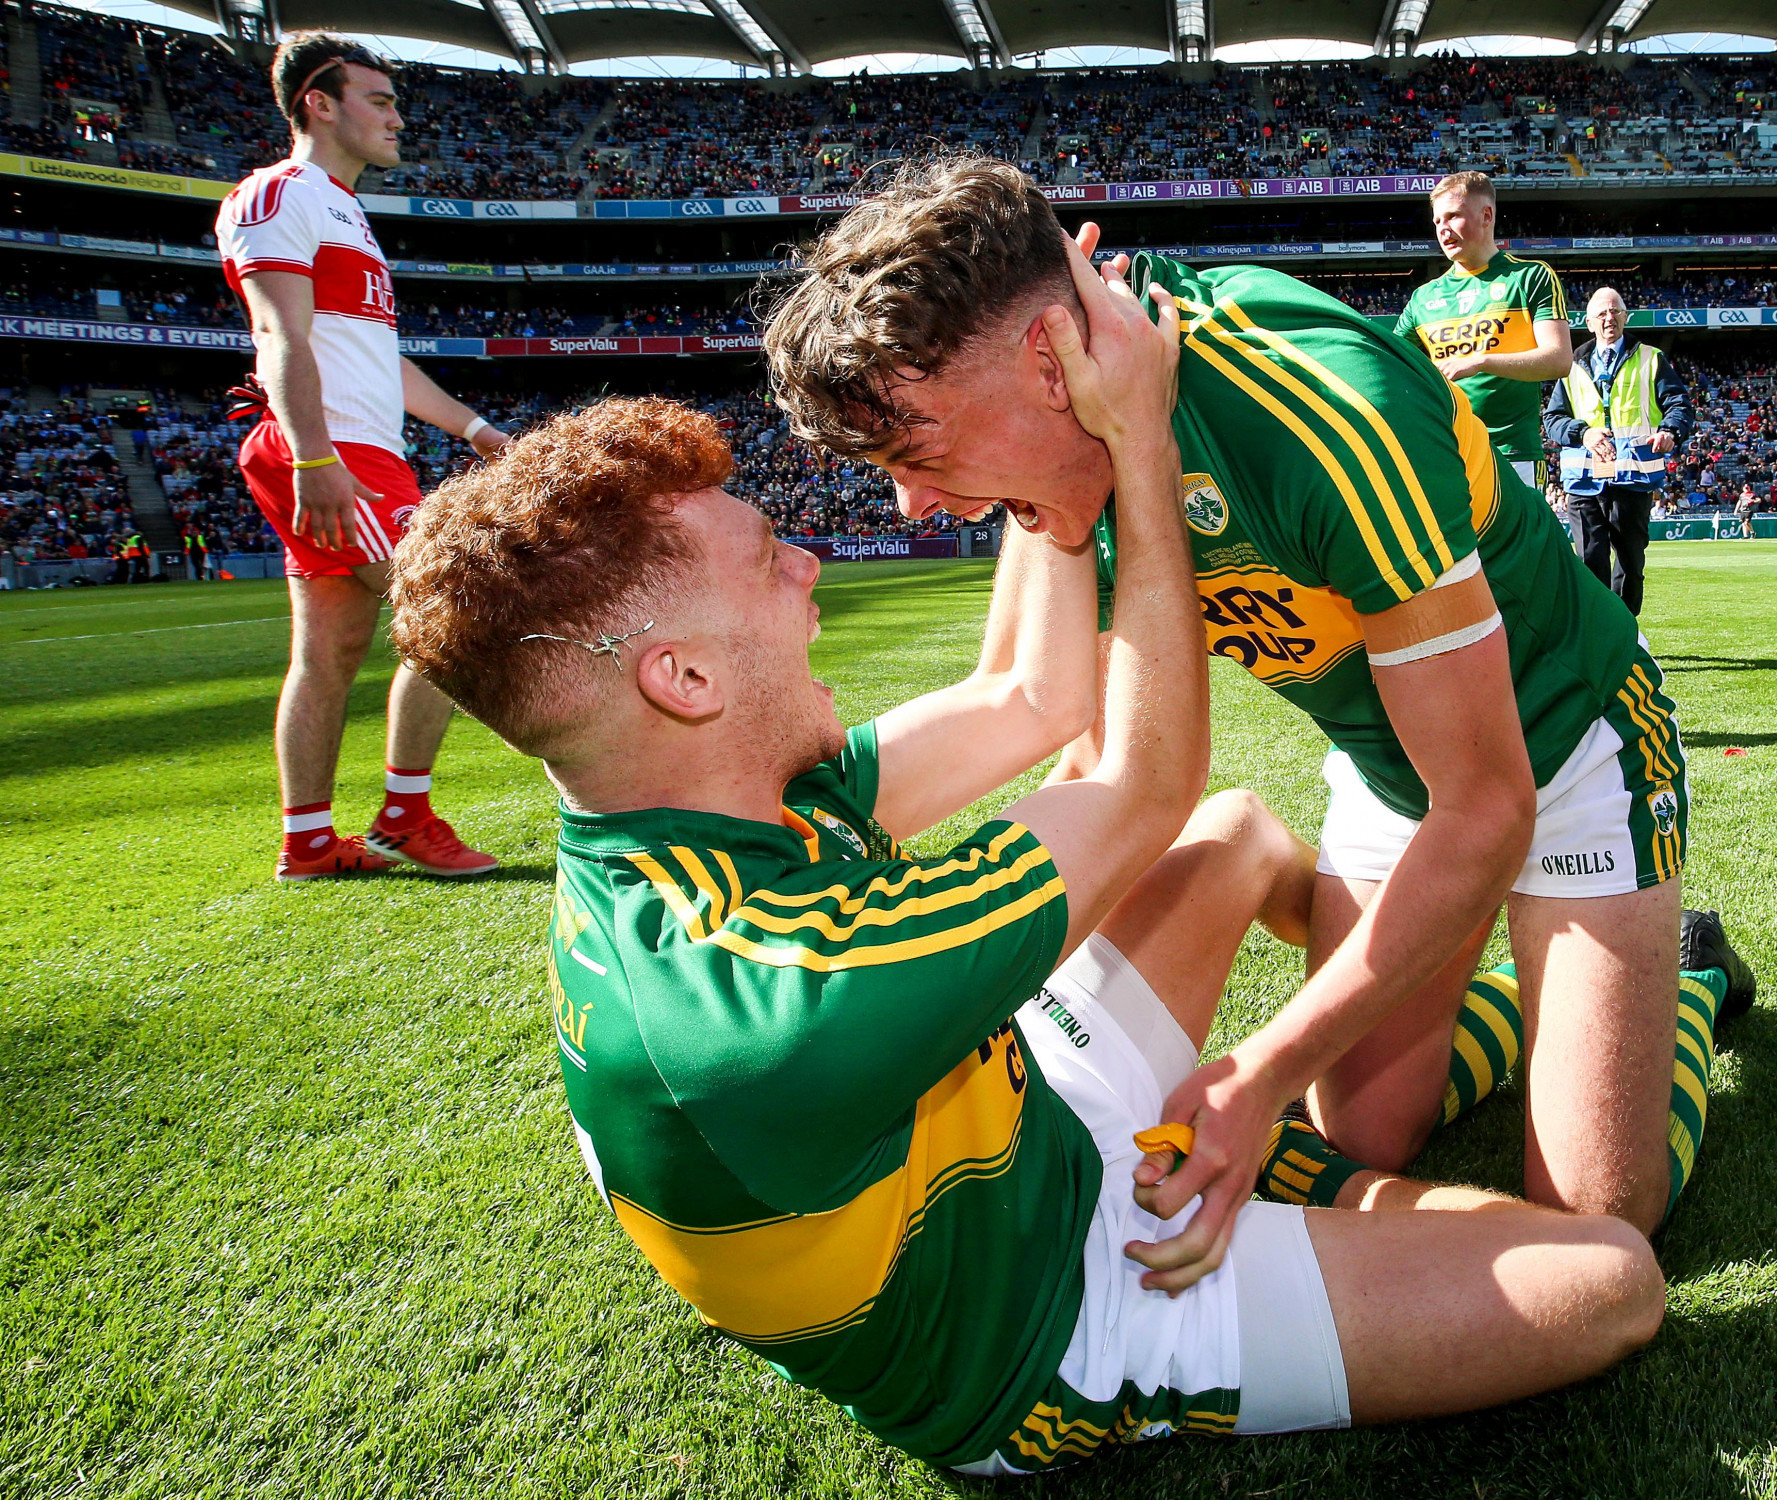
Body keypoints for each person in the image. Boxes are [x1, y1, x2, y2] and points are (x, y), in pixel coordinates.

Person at [385, 377, 1666, 1473]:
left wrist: (1043, 466)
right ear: (684, 677)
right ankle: (1675, 1004)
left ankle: (1314, 1100)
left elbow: (1033, 695)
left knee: (1237, 838)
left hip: (1020, 1115)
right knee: (1607, 1279)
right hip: (1058, 1315)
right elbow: (1131, 782)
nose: (809, 562)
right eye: (765, 555)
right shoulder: (772, 1003)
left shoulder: (702, 800)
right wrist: (1137, 449)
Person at [762, 157, 1757, 1292]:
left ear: (1048, 359)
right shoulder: (1080, 436)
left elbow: (1487, 810)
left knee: (1593, 1210)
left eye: (916, 449)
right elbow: (1053, 719)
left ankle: (1682, 979)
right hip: (1396, 771)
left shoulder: (1319, 406)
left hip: (1565, 743)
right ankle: (1531, 997)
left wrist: (1255, 1073)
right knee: (1363, 1137)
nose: (911, 505)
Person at [218, 33, 506, 880]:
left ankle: (307, 841)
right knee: (464, 615)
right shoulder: (278, 196)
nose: (396, 117)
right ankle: (404, 816)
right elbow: (278, 333)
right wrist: (314, 459)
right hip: (329, 451)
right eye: (378, 100)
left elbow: (380, 359)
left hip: (359, 450)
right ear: (320, 102)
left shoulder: (344, 211)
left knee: (330, 654)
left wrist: (477, 431)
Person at [1393, 170, 1572, 491]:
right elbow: (1390, 367)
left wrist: (1481, 360)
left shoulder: (1531, 277)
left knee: (1517, 544)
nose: (1443, 229)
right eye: (1437, 221)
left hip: (1512, 455)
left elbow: (1559, 360)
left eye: (1453, 216)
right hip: (1446, 454)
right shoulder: (1424, 297)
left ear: (1486, 215)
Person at [1539, 286, 1693, 615]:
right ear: (1589, 322)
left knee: (1630, 563)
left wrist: (1669, 431)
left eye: (1616, 311)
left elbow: (1679, 404)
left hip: (1632, 478)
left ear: (1626, 316)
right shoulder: (1571, 365)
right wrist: (1584, 433)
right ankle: (1597, 634)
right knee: (1589, 560)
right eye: (1602, 313)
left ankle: (1626, 633)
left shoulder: (1651, 359)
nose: (1610, 318)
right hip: (1583, 479)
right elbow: (1552, 419)